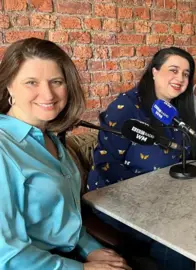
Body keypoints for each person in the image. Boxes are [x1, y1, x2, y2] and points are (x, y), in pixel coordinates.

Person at [87, 47, 196, 270]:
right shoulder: (126, 106)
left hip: (169, 199)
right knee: (179, 241)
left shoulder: (175, 109)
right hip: (118, 202)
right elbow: (106, 164)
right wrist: (150, 199)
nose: (180, 78)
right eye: (173, 70)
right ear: (154, 72)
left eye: (186, 74)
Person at [0, 38, 130, 269]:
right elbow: (7, 255)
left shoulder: (50, 137)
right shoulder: (4, 149)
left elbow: (62, 219)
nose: (48, 94)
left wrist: (90, 249)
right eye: (31, 82)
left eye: (56, 81)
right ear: (9, 85)